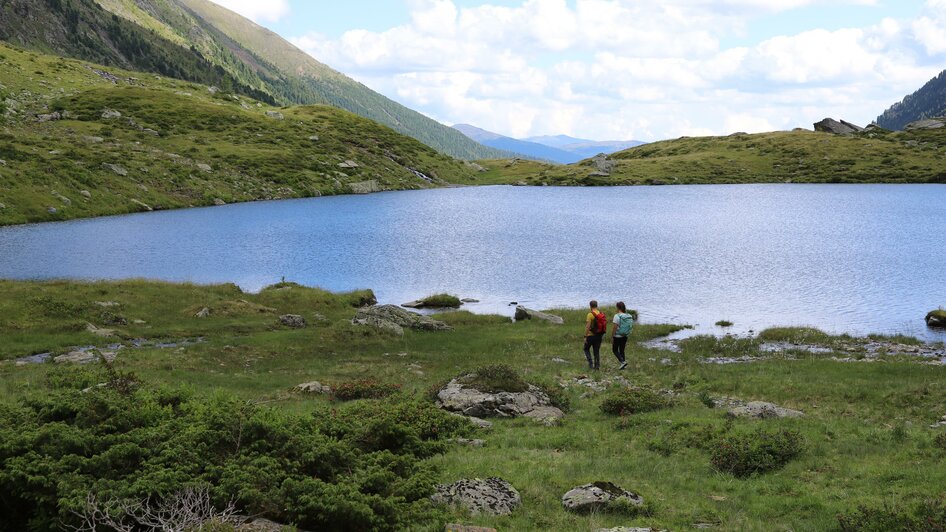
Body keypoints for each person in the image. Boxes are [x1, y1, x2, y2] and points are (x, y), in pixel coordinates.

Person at [584, 300, 607, 370]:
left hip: (591, 335)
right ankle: (597, 366)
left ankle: (591, 364)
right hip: (599, 335)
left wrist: (585, 336)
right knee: (596, 351)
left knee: (586, 349)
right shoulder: (601, 313)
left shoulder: (590, 314)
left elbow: (588, 326)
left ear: (590, 306)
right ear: (597, 305)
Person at [611, 302, 634, 370]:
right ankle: (623, 365)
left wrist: (612, 336)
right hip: (625, 336)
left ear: (618, 307)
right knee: (622, 350)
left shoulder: (617, 316)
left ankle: (622, 362)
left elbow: (615, 327)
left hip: (617, 336)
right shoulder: (628, 315)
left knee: (614, 350)